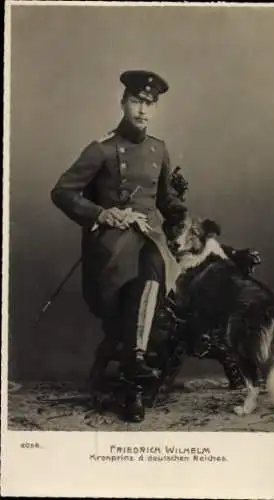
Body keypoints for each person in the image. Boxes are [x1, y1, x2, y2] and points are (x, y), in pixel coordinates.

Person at [51, 70, 187, 422]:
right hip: (110, 247)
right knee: (145, 270)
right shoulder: (102, 149)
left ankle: (133, 368)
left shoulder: (159, 148)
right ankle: (135, 371)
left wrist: (179, 214)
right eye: (137, 101)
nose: (143, 110)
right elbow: (63, 192)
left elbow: (166, 200)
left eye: (150, 103)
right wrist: (103, 213)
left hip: (149, 242)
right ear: (123, 102)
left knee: (154, 262)